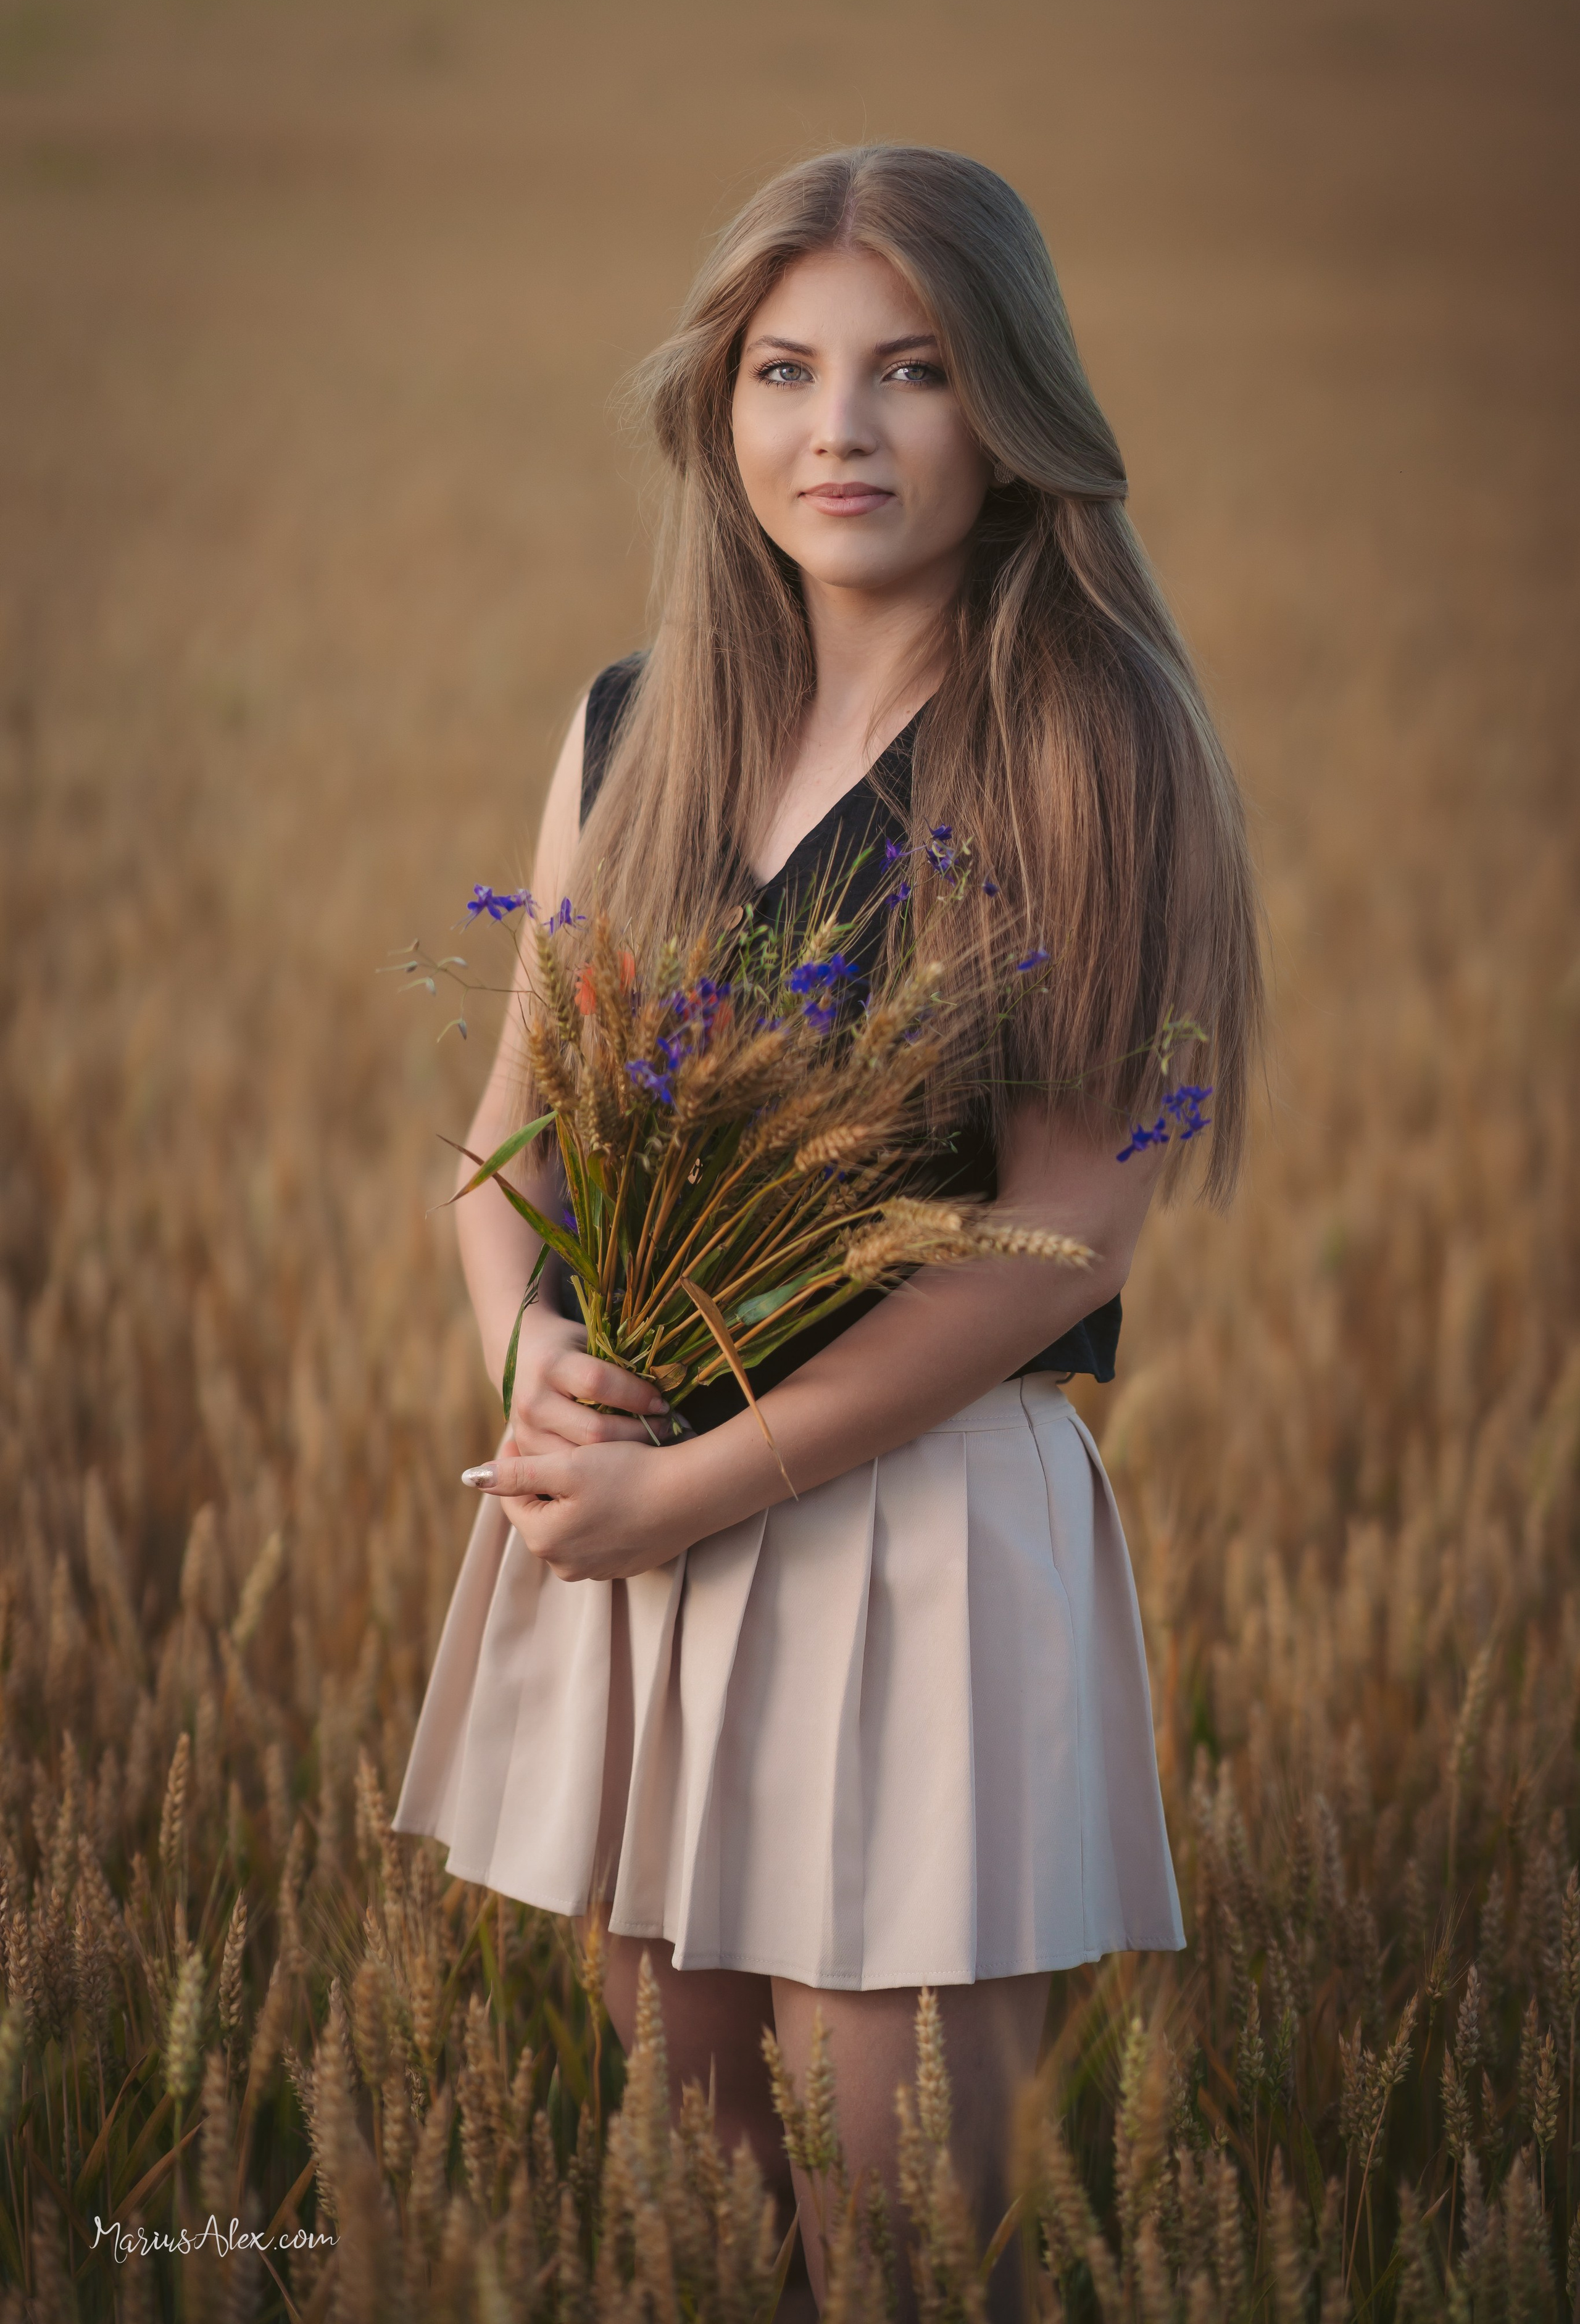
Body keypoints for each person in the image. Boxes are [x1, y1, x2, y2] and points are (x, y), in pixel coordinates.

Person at [394, 143, 1261, 2315]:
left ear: (1015, 411)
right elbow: (504, 1153)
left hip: (915, 1545)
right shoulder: (636, 726)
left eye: (915, 372)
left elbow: (1065, 1235)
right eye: (785, 370)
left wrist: (702, 1476)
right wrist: (536, 1367)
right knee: (703, 2228)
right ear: (723, 407)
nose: (838, 430)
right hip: (633, 1532)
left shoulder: (1091, 739)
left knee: (881, 2248)